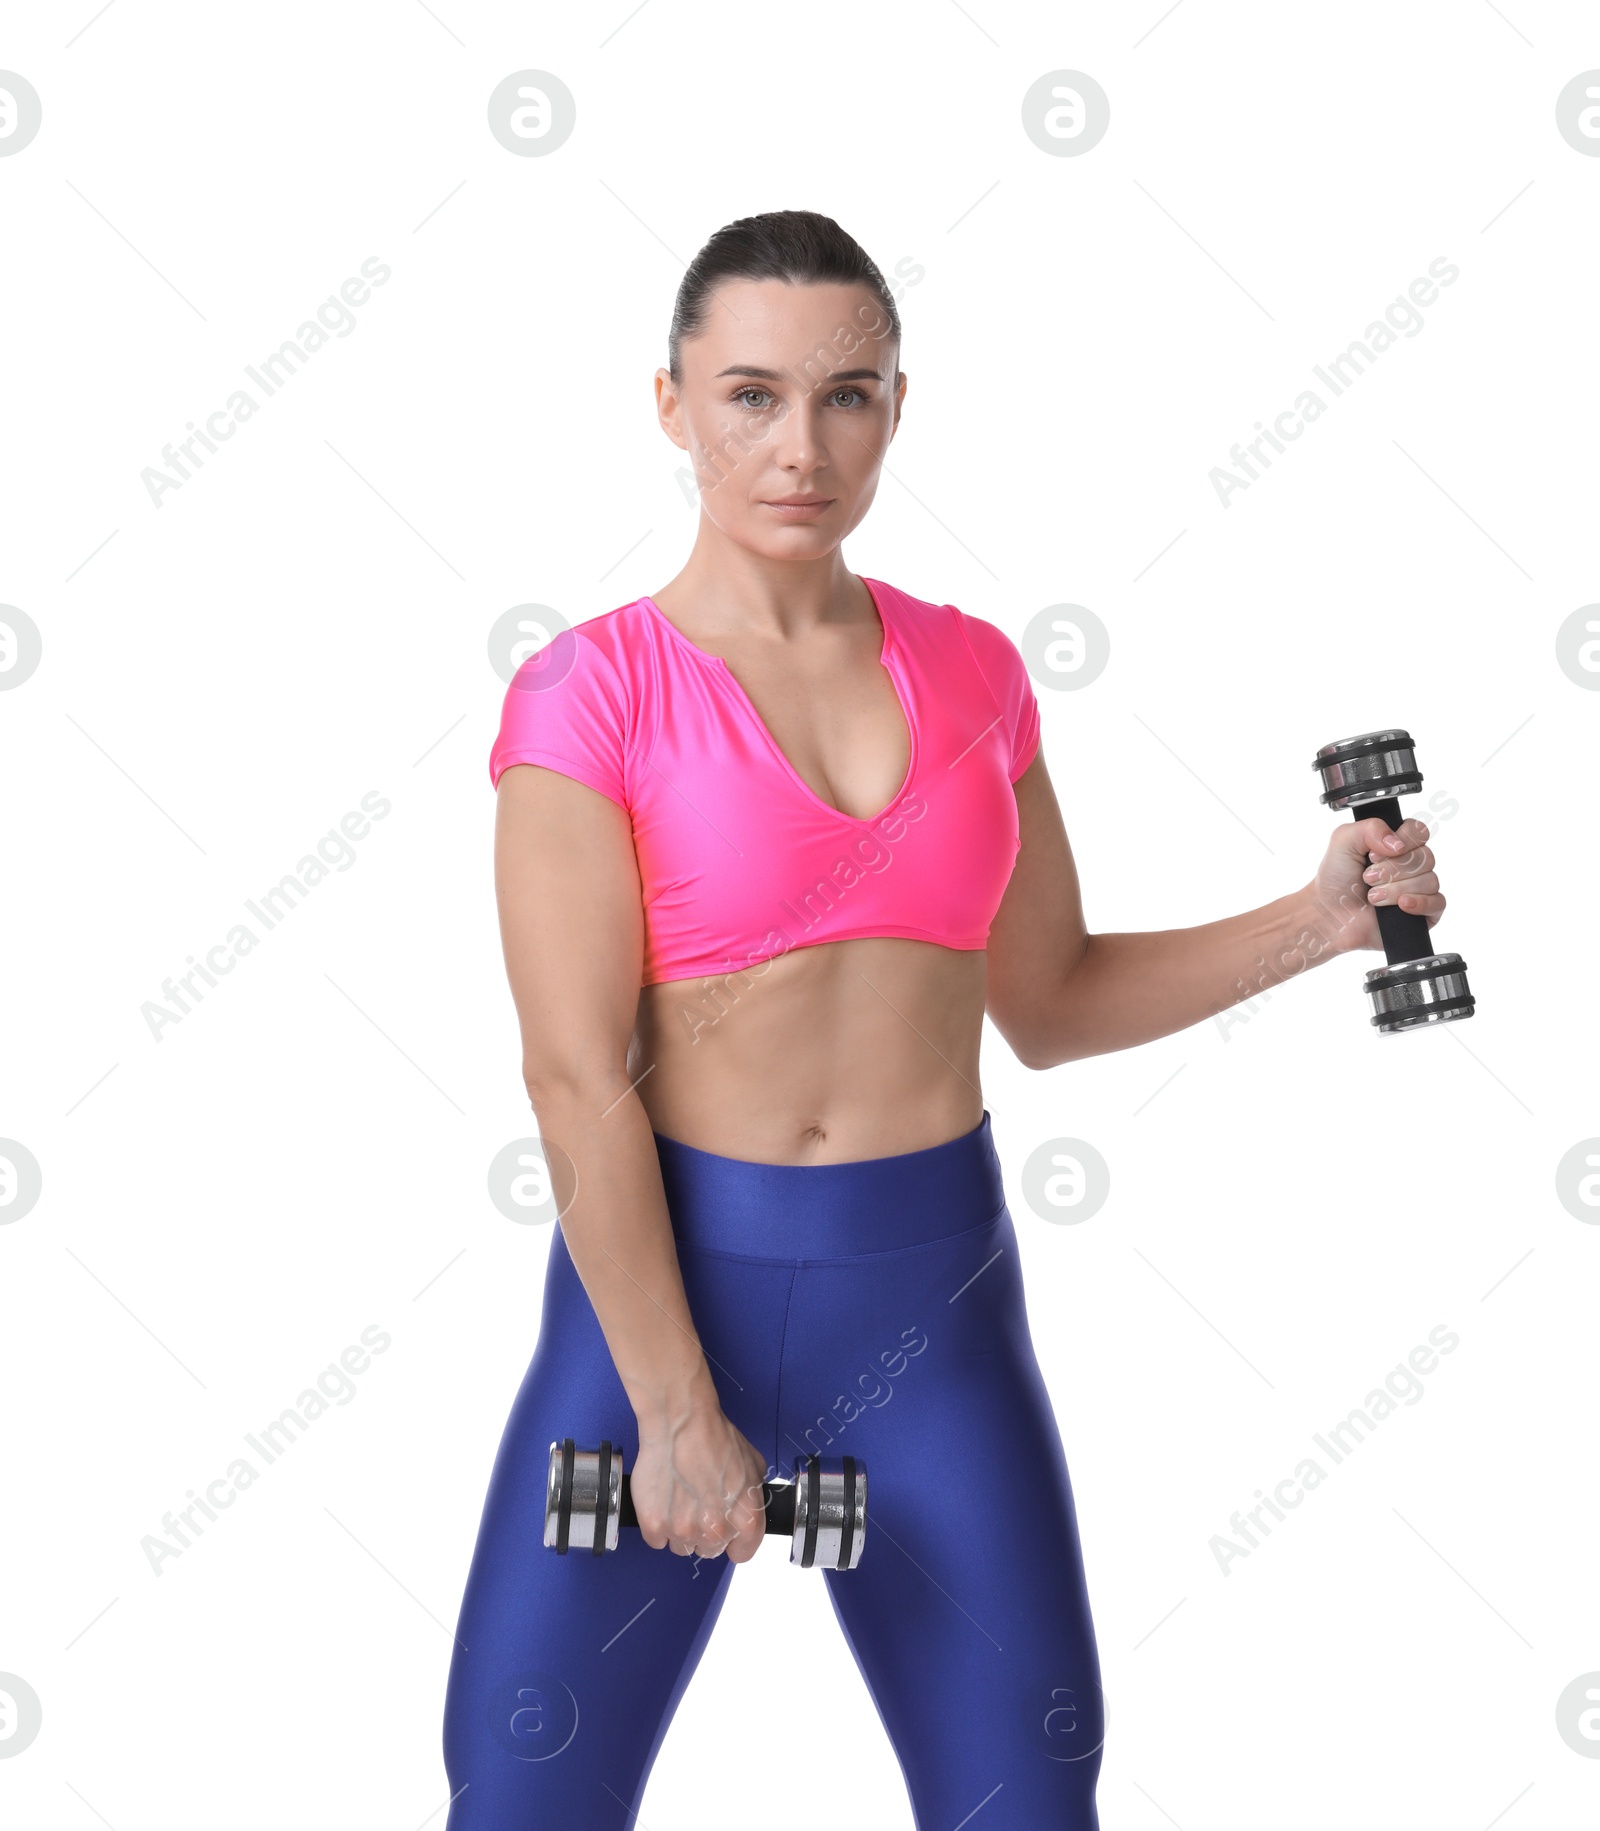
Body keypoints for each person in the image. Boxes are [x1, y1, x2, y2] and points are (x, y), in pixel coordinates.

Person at [441, 210, 1448, 1829]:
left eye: (846, 396)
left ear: (898, 406)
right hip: (654, 1314)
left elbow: (1048, 1003)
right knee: (525, 1796)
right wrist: (677, 1413)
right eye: (751, 395)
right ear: (671, 405)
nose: (799, 446)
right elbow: (573, 1080)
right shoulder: (593, 691)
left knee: (1030, 1794)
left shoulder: (977, 673)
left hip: (931, 1313)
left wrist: (1318, 923)